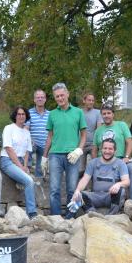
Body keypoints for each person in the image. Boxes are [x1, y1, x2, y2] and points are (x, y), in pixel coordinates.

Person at [41, 83, 87, 219]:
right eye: (57, 96)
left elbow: (84, 134)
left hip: (73, 155)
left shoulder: (78, 112)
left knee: (72, 189)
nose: (60, 98)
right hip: (55, 155)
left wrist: (79, 150)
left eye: (62, 95)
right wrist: (44, 157)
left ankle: (70, 217)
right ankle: (55, 218)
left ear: (67, 94)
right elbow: (50, 136)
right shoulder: (52, 114)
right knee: (54, 189)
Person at [92, 103, 132, 207]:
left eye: (108, 113)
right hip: (103, 161)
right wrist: (95, 162)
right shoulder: (98, 130)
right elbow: (94, 149)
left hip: (120, 159)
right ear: (101, 115)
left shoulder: (121, 125)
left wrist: (127, 157)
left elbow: (129, 142)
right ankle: (100, 200)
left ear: (113, 114)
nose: (106, 115)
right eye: (104, 114)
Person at [70, 139, 130, 215]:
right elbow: (85, 179)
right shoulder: (93, 163)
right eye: (105, 148)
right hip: (95, 196)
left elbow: (127, 181)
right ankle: (93, 214)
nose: (107, 151)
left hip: (111, 196)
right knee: (79, 195)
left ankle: (112, 215)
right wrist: (77, 190)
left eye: (110, 149)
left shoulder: (120, 163)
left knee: (121, 191)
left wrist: (118, 184)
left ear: (115, 151)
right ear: (101, 149)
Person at [0, 107, 38, 219]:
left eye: (23, 114)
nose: (21, 116)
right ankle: (32, 213)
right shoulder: (9, 128)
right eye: (19, 114)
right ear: (15, 116)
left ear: (26, 116)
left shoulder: (27, 132)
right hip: (8, 160)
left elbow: (27, 152)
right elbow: (8, 149)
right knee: (29, 181)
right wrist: (20, 167)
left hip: (21, 161)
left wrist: (25, 166)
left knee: (29, 177)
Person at [25, 89, 49, 177]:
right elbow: (26, 129)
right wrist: (30, 140)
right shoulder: (29, 113)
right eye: (38, 97)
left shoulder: (50, 114)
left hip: (45, 145)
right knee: (28, 144)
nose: (40, 99)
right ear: (34, 100)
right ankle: (27, 168)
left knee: (40, 169)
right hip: (33, 144)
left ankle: (40, 182)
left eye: (42, 97)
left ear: (45, 99)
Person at [80, 92, 103, 171]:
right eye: (89, 100)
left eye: (92, 100)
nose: (91, 102)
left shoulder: (97, 112)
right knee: (80, 170)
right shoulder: (79, 112)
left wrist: (96, 144)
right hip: (81, 144)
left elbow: (99, 129)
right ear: (84, 100)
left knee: (95, 167)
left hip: (93, 144)